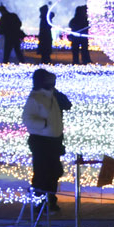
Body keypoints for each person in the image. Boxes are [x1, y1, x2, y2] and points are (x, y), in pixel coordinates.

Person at [22, 68, 72, 212]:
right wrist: (44, 125)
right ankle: (40, 204)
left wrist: (56, 93)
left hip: (54, 140)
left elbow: (67, 105)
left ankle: (51, 200)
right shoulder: (35, 98)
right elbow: (27, 118)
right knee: (42, 173)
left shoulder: (53, 96)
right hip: (40, 141)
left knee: (54, 171)